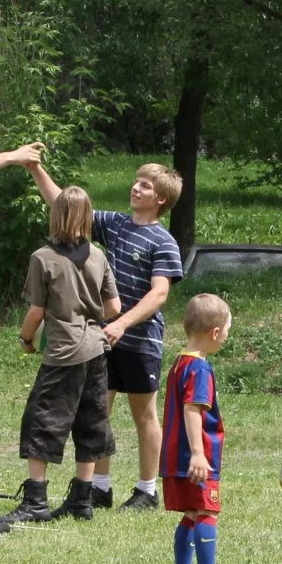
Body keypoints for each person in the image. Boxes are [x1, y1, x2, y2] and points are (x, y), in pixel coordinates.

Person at [29, 161, 184, 511]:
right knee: (99, 411)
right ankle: (99, 487)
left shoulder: (164, 241)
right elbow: (64, 206)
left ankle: (147, 490)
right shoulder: (115, 224)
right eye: (136, 181)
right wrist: (34, 168)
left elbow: (159, 294)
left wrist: (122, 323)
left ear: (160, 198)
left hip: (140, 341)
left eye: (144, 185)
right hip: (102, 340)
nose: (135, 188)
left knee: (144, 414)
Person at [0, 187, 122, 526]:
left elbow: (36, 312)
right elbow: (114, 307)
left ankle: (36, 500)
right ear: (87, 216)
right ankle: (82, 498)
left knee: (41, 421)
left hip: (64, 352)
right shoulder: (98, 255)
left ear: (55, 214)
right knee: (91, 421)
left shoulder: (43, 258)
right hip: (96, 350)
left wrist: (25, 340)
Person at [162, 293, 235, 564]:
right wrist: (197, 454)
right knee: (207, 511)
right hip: (195, 457)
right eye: (228, 330)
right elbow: (192, 409)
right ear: (215, 332)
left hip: (174, 457)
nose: (227, 336)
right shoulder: (200, 370)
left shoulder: (180, 363)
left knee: (192, 513)